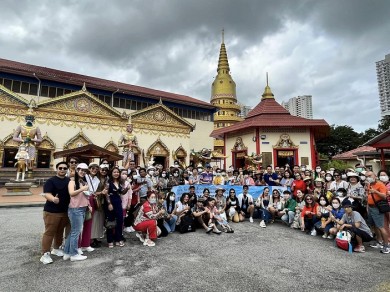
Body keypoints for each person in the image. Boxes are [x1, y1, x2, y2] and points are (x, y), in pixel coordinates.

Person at [39, 161, 71, 265]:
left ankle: (56, 248)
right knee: (49, 232)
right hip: (52, 211)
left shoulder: (69, 181)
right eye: (60, 168)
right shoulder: (51, 181)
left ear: (67, 170)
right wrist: (53, 199)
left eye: (64, 168)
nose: (62, 170)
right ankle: (45, 254)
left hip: (64, 211)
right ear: (56, 169)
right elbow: (46, 193)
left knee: (60, 231)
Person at [63, 163, 90, 262]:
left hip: (82, 208)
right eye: (81, 170)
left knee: (74, 231)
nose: (83, 172)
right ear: (77, 170)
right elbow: (71, 193)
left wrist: (89, 205)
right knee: (76, 232)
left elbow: (86, 195)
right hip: (75, 209)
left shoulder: (83, 182)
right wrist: (82, 189)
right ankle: (74, 254)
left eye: (85, 171)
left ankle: (67, 252)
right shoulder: (72, 181)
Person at [365, 171, 390, 254]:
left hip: (377, 208)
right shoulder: (369, 184)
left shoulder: (380, 184)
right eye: (366, 176)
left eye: (369, 175)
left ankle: (386, 245)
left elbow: (384, 196)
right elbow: (368, 196)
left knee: (381, 226)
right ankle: (379, 241)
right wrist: (368, 207)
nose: (368, 177)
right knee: (374, 225)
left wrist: (375, 191)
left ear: (375, 176)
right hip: (371, 207)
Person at [79, 162, 100, 253]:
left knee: (89, 221)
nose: (94, 170)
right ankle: (78, 245)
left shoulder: (97, 180)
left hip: (91, 199)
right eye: (92, 168)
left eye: (96, 169)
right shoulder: (84, 176)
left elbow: (93, 191)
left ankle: (85, 244)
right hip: (82, 198)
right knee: (79, 224)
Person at [105, 166, 126, 248]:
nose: (116, 173)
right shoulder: (108, 182)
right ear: (111, 173)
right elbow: (106, 193)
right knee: (110, 221)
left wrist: (127, 189)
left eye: (117, 172)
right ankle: (110, 240)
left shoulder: (120, 182)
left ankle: (118, 238)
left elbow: (122, 193)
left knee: (120, 221)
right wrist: (109, 203)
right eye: (114, 172)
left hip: (118, 203)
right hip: (110, 202)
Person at [90, 163, 109, 248]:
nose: (104, 171)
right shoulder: (95, 179)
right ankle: (91, 239)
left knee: (100, 220)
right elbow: (92, 191)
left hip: (102, 201)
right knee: (95, 220)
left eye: (105, 170)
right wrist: (101, 192)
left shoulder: (106, 179)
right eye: (102, 170)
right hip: (95, 201)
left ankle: (96, 237)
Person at [378, 169, 390, 243]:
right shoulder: (378, 185)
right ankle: (387, 240)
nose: (382, 177)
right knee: (384, 224)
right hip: (381, 206)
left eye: (384, 175)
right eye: (381, 175)